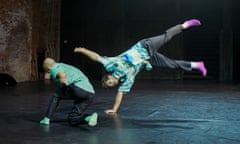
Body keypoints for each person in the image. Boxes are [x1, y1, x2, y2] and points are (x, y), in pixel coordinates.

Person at [74, 19, 207, 115]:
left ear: (108, 76)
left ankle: (185, 25)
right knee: (172, 64)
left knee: (166, 37)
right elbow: (120, 95)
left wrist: (83, 50)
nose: (112, 84)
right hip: (149, 58)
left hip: (144, 46)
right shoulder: (127, 80)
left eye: (109, 82)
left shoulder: (112, 64)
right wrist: (114, 109)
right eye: (110, 86)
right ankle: (196, 65)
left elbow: (96, 57)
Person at [40, 57, 98, 126]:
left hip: (78, 89)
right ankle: (88, 118)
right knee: (72, 119)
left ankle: (47, 119)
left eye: (47, 71)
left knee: (56, 95)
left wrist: (63, 78)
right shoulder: (63, 65)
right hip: (90, 93)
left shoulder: (54, 68)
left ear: (48, 68)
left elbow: (61, 73)